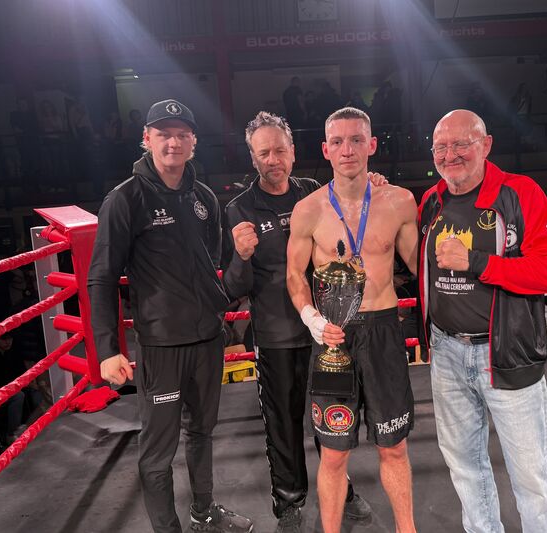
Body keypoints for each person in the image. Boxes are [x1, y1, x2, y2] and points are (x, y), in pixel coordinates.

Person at [88, 99, 253, 533]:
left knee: (202, 433)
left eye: (182, 134)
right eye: (164, 134)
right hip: (161, 347)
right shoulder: (125, 199)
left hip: (207, 341)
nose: (173, 142)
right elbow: (101, 279)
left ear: (194, 142)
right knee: (157, 452)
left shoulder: (204, 199)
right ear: (147, 139)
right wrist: (108, 350)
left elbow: (212, 267)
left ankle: (204, 513)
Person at [221, 111, 374, 532]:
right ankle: (289, 504)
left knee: (334, 414)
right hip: (276, 336)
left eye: (280, 150)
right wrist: (242, 255)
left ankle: (341, 489)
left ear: (294, 151)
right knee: (283, 426)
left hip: (327, 330)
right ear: (253, 157)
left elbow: (356, 205)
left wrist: (373, 183)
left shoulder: (314, 193)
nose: (274, 159)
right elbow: (232, 287)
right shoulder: (239, 209)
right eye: (264, 152)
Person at [417, 109, 547, 532]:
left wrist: (477, 262)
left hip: (505, 351)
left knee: (531, 474)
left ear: (486, 145)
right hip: (446, 352)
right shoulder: (430, 202)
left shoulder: (520, 194)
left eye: (461, 143)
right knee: (465, 468)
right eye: (441, 147)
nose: (451, 154)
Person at [286, 107, 419, 533]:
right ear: (325, 149)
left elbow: (421, 267)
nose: (348, 149)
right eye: (338, 142)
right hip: (333, 338)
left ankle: (407, 530)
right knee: (333, 454)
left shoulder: (399, 201)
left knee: (394, 447)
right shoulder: (307, 209)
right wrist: (310, 318)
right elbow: (294, 275)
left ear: (372, 145)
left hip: (382, 330)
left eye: (357, 139)